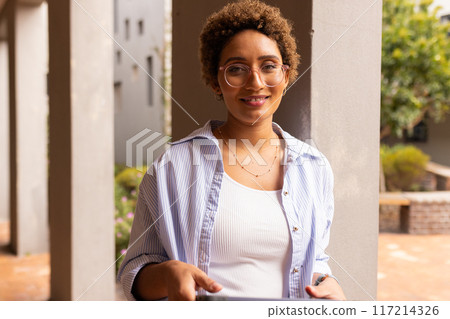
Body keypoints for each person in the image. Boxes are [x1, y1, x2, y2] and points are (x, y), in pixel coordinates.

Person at [117, 0, 346, 301]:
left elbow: (314, 262)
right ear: (216, 81)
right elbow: (133, 270)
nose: (255, 82)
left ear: (285, 76)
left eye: (269, 66)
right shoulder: (172, 167)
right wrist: (168, 273)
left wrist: (328, 283)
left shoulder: (314, 168)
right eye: (237, 69)